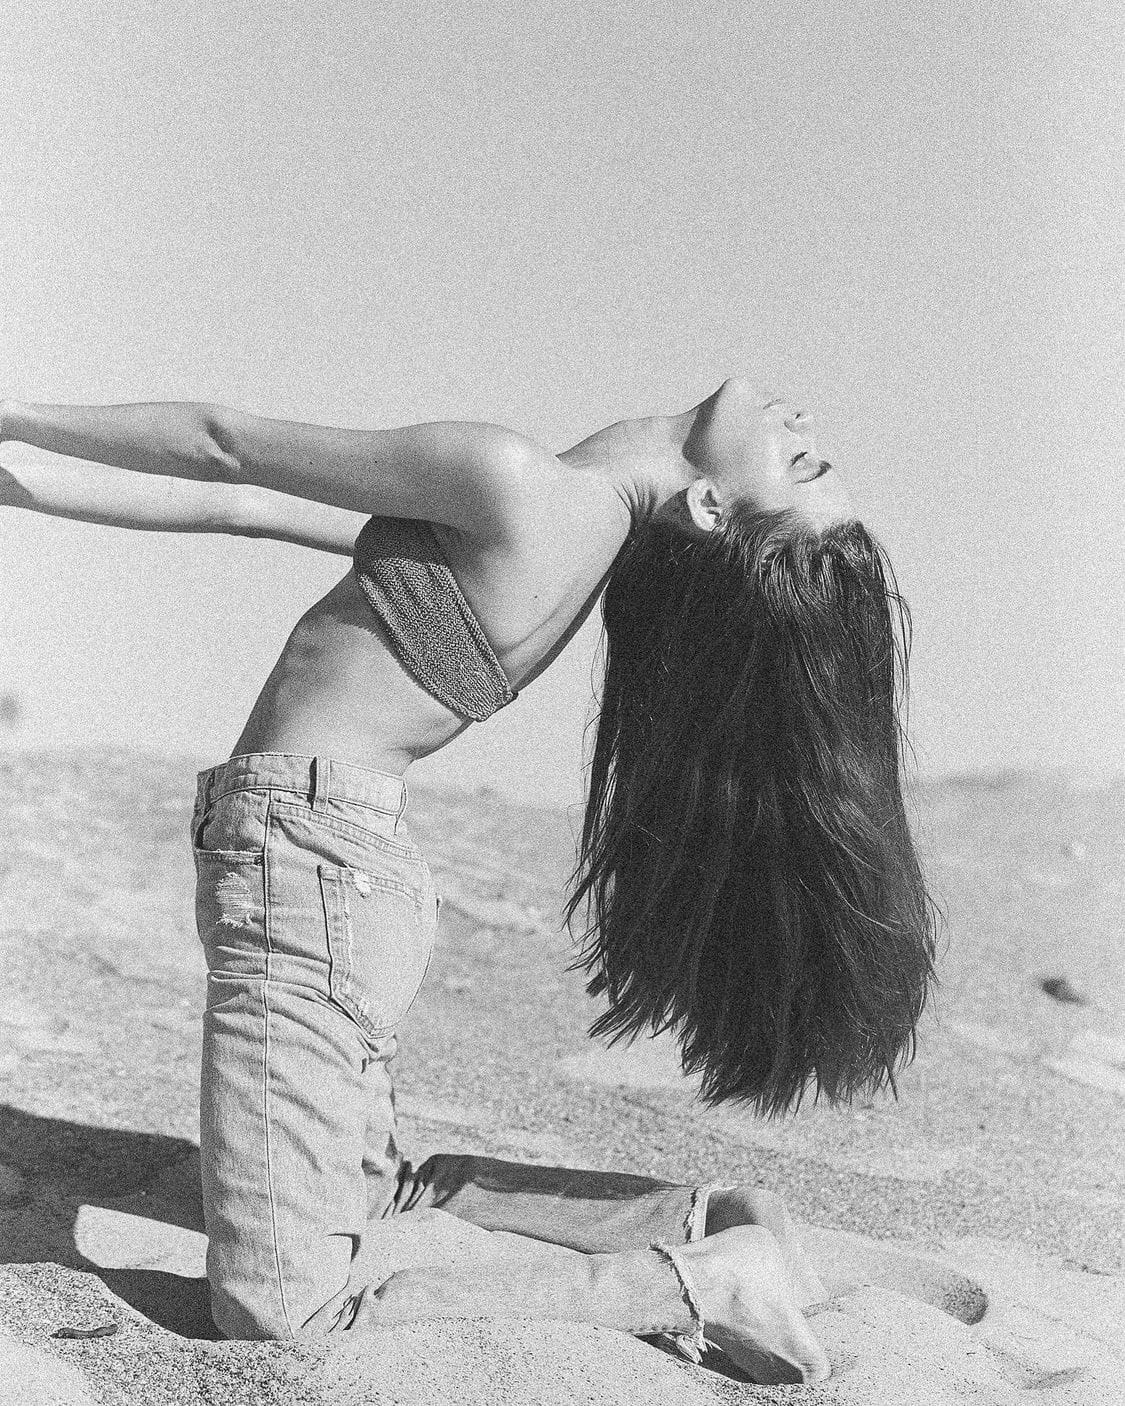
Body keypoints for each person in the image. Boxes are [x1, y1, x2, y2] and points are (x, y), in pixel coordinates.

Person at [0, 379, 937, 1384]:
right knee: (377, 1196)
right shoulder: (577, 534)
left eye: (800, 461)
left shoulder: (516, 485)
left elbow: (222, 444)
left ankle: (701, 1281)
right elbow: (245, 504)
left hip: (310, 874)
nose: (802, 423)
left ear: (710, 506)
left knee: (282, 1311)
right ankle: (697, 1220)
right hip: (340, 873)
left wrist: (17, 413)